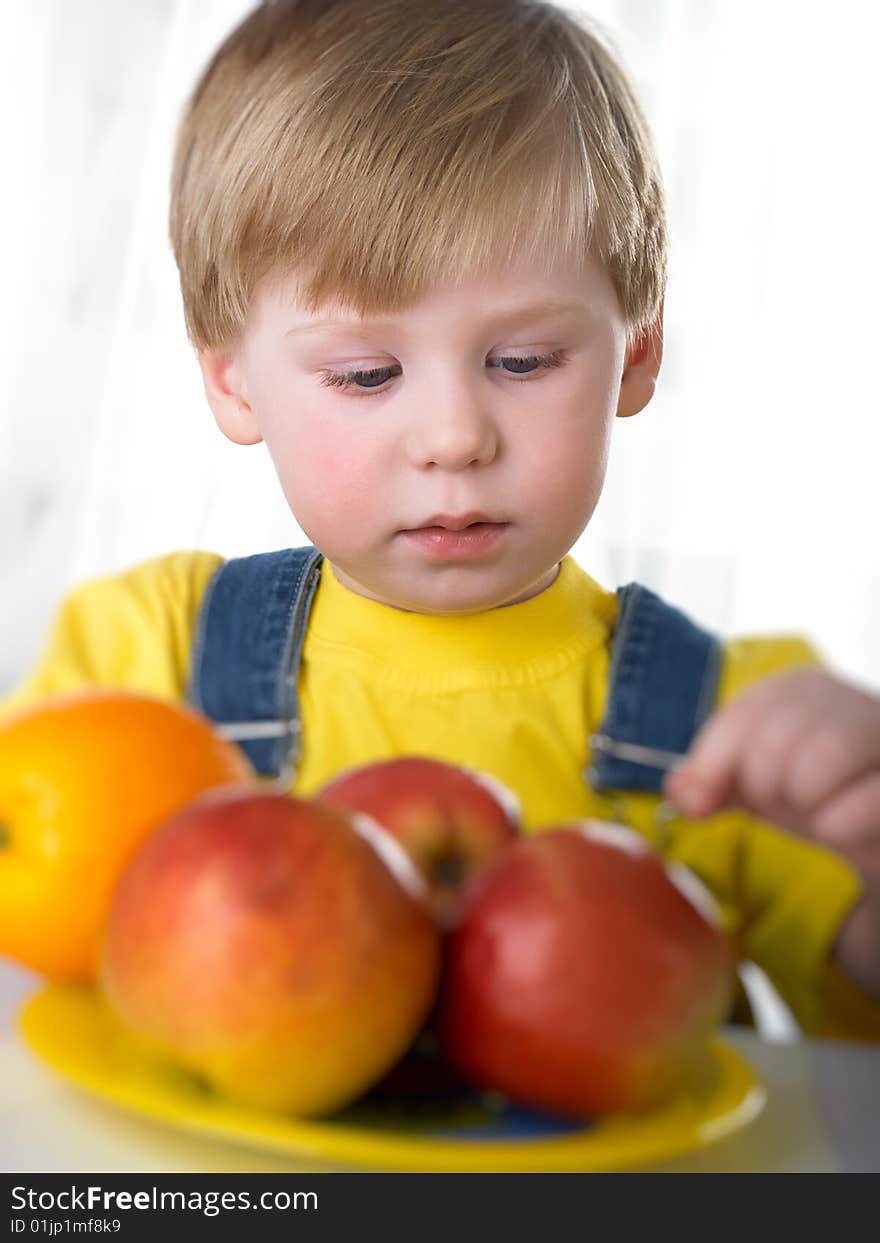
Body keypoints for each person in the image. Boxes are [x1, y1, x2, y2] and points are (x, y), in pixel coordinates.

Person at [3, 0, 879, 1039]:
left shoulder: (732, 724)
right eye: (367, 373)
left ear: (635, 353)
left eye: (522, 361)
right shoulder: (147, 658)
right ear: (234, 381)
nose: (454, 437)